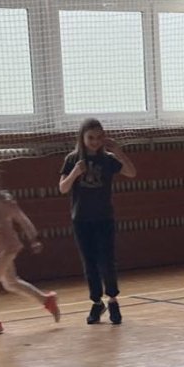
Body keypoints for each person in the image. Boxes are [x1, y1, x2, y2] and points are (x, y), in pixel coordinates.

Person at [0, 162, 61, 335]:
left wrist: (33, 238)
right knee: (11, 283)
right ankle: (47, 300)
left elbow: (21, 218)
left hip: (8, 246)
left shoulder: (4, 200)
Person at [59, 118, 134, 325]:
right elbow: (63, 188)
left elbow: (131, 172)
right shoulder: (72, 159)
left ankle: (113, 300)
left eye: (99, 137)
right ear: (82, 138)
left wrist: (118, 151)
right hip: (81, 219)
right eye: (90, 138)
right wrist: (75, 173)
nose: (95, 142)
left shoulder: (108, 160)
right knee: (89, 262)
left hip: (104, 218)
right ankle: (96, 302)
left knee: (107, 261)